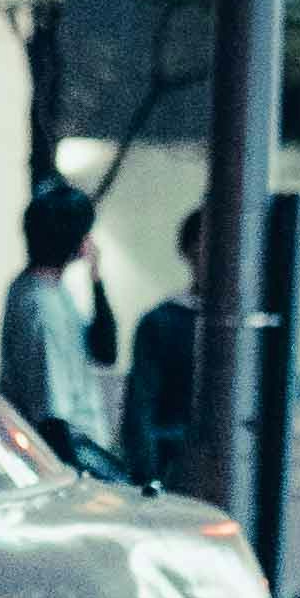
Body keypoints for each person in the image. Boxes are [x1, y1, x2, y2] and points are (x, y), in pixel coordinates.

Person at [0, 177, 121, 464]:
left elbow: (105, 351)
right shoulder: (41, 305)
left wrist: (96, 279)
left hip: (78, 447)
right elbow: (51, 412)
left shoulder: (45, 290)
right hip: (69, 452)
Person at [120, 206, 209, 491]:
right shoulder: (162, 322)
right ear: (189, 252)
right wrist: (147, 474)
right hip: (174, 470)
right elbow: (140, 406)